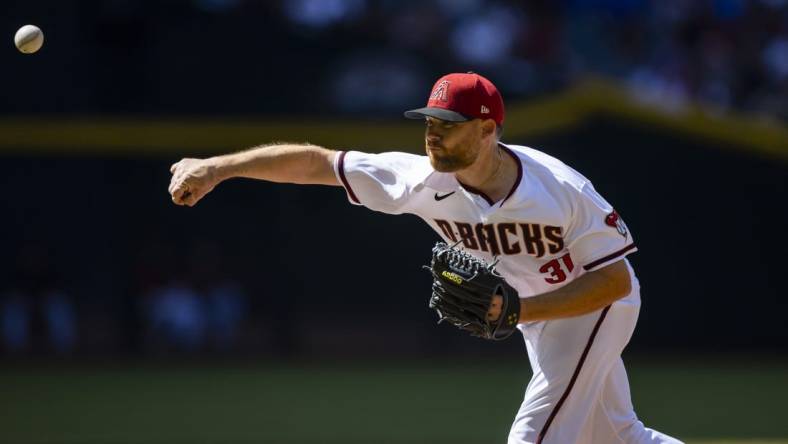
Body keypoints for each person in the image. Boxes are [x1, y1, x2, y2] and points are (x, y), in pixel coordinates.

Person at [168, 72, 681, 444]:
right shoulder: (422, 181)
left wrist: (521, 311)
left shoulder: (560, 189)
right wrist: (217, 168)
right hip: (536, 318)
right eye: (429, 120)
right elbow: (318, 163)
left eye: (449, 123)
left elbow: (615, 281)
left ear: (487, 130)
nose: (432, 133)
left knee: (535, 435)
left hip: (595, 307)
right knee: (619, 436)